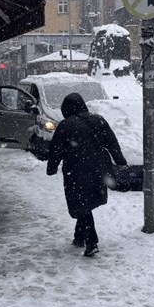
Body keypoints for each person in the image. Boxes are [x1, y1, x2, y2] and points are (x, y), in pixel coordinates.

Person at [46, 93, 128, 257]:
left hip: (76, 171)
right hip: (99, 170)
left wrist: (52, 167)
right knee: (85, 203)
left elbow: (56, 149)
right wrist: (120, 161)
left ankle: (91, 242)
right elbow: (112, 142)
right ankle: (79, 237)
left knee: (81, 204)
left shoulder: (65, 125)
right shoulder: (99, 120)